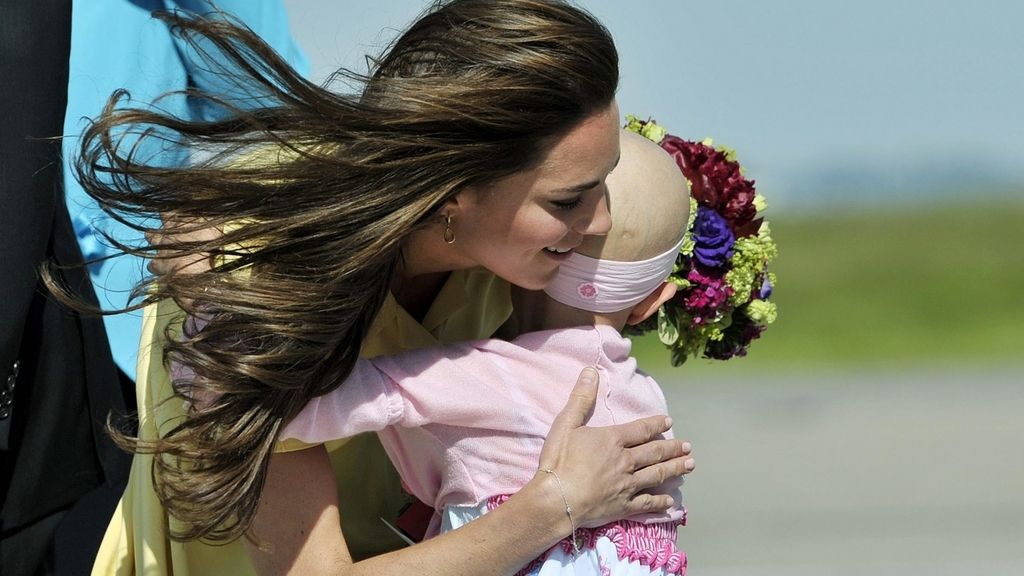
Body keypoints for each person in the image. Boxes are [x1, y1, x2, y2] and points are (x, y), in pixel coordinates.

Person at [71, 2, 694, 574]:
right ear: (453, 187)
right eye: (568, 200)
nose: (601, 223)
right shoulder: (250, 280)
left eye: (603, 182)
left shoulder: (508, 264)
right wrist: (558, 506)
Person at [277, 129, 692, 575]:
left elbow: (289, 413)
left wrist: (216, 335)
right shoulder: (647, 407)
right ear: (653, 302)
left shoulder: (483, 375)